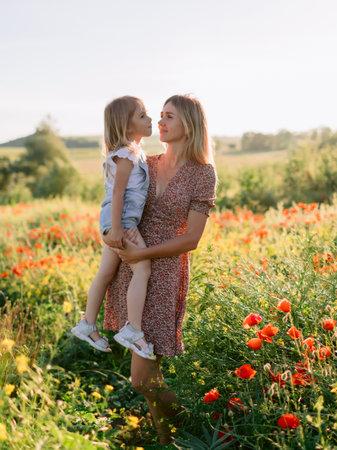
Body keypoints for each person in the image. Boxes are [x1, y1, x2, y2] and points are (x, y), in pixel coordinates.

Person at [103, 94, 217, 444]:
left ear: (190, 125)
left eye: (170, 116)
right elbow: (115, 201)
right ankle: (167, 440)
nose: (161, 122)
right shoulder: (144, 162)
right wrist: (116, 241)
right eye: (160, 115)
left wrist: (145, 254)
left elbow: (192, 238)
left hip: (164, 272)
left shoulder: (203, 173)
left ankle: (191, 428)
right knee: (145, 368)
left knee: (142, 377)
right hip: (132, 267)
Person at [71, 95, 156, 360]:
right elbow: (118, 193)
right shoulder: (127, 154)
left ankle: (87, 324)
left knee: (106, 272)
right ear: (128, 127)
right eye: (143, 116)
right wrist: (119, 228)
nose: (150, 119)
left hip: (112, 222)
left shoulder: (131, 152)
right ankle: (133, 329)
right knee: (142, 268)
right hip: (122, 222)